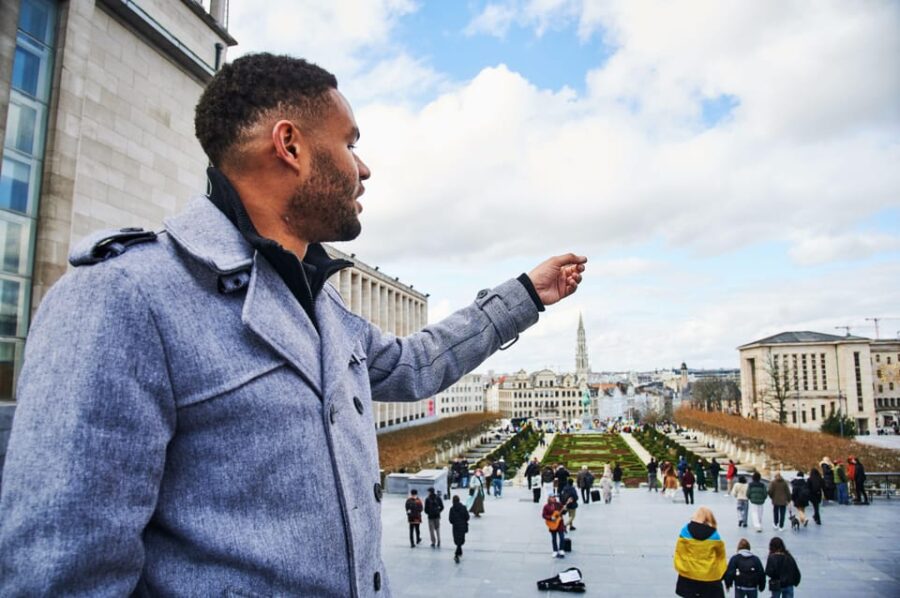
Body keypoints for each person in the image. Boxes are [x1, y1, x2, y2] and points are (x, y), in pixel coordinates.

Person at [0, 53, 589, 595]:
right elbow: (60, 570)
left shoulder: (317, 302)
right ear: (290, 145)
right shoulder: (122, 298)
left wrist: (524, 296)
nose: (364, 167)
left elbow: (413, 365)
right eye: (350, 142)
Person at [673, 506, 727, 598]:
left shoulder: (685, 531)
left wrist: (682, 568)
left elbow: (679, 552)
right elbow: (721, 556)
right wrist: (720, 572)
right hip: (709, 576)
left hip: (689, 575)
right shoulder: (714, 535)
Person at [542, 494, 568, 558]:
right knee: (554, 538)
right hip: (552, 524)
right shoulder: (546, 506)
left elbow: (563, 512)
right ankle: (555, 550)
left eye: (554, 497)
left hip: (560, 523)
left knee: (562, 537)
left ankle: (561, 549)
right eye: (552, 497)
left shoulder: (558, 504)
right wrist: (550, 518)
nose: (553, 498)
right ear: (549, 498)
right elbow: (544, 515)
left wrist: (565, 509)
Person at [448, 495, 469, 564]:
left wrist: (455, 522)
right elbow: (467, 517)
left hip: (456, 527)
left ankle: (457, 553)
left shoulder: (452, 509)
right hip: (462, 526)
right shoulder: (463, 507)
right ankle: (458, 552)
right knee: (461, 539)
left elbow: (450, 520)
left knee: (457, 539)